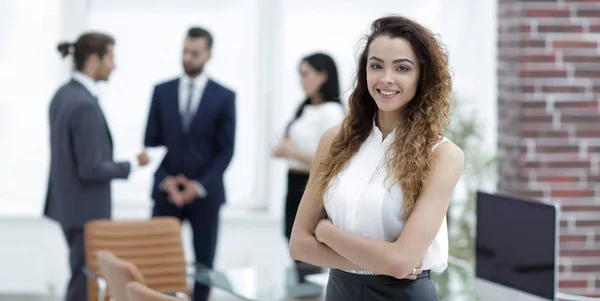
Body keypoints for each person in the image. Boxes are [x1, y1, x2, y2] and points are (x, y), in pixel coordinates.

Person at [289, 15, 465, 300]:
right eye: (376, 65)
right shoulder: (333, 140)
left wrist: (326, 232)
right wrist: (384, 262)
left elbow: (401, 261)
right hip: (338, 291)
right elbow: (299, 245)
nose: (386, 78)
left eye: (402, 68)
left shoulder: (443, 156)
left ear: (422, 76)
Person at [45, 32, 149, 301]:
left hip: (68, 206)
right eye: (110, 57)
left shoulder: (63, 95)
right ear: (93, 60)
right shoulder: (84, 105)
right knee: (85, 280)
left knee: (81, 274)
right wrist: (132, 165)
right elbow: (90, 168)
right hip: (85, 210)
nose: (114, 65)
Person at [143, 26, 236, 301]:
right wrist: (166, 180)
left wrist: (199, 185)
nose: (188, 57)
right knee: (158, 260)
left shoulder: (224, 96)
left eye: (195, 53)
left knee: (204, 264)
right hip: (166, 191)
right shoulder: (162, 91)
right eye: (185, 51)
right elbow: (151, 142)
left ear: (209, 55)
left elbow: (226, 151)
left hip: (205, 194)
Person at [272, 52, 345, 279]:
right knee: (291, 237)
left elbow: (329, 160)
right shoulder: (303, 109)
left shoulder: (332, 112)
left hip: (311, 183)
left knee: (309, 244)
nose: (301, 80)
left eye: (305, 74)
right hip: (293, 181)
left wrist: (290, 151)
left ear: (323, 76)